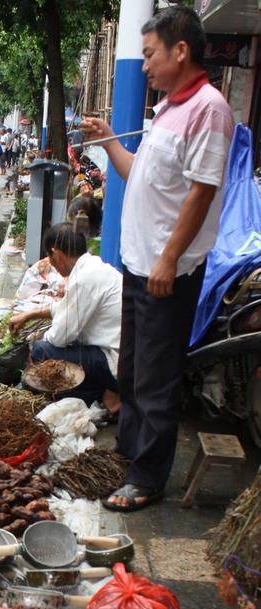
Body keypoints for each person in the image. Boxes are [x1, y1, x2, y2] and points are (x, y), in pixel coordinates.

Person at [81, 6, 234, 511]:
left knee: (156, 377)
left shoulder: (209, 109)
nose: (144, 65)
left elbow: (201, 193)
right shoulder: (169, 108)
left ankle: (146, 479)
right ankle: (129, 453)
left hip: (168, 272)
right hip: (140, 265)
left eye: (149, 54)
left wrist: (169, 259)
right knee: (132, 371)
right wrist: (106, 139)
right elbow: (136, 174)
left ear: (180, 51)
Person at [10, 224, 122, 412]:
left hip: (116, 363)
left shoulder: (84, 279)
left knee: (41, 351)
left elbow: (59, 338)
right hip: (124, 355)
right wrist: (30, 314)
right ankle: (106, 392)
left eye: (50, 258)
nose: (52, 264)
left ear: (57, 254)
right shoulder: (93, 266)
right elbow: (64, 308)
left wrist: (36, 344)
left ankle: (102, 394)